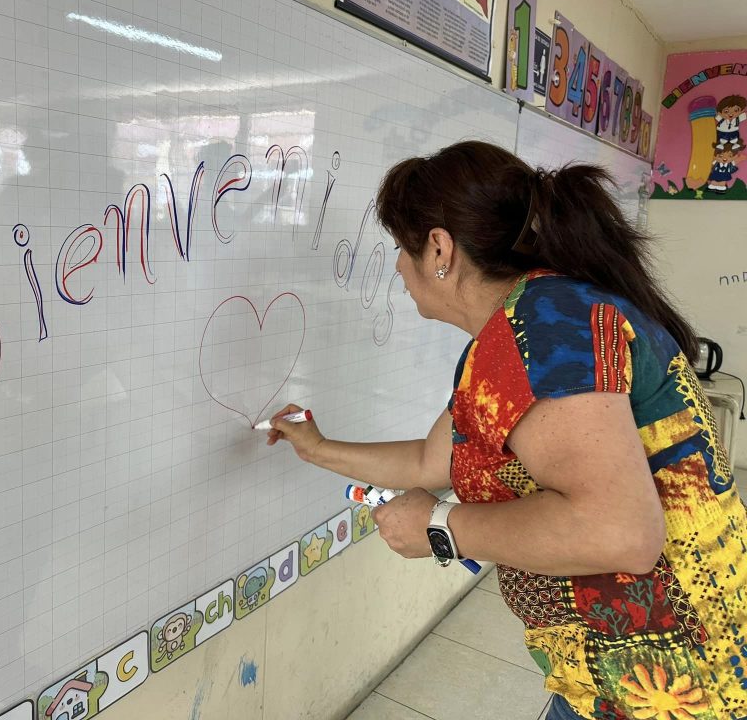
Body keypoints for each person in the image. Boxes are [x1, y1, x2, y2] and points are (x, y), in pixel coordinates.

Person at [267, 141, 747, 720]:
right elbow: (429, 460)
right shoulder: (522, 330)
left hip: (676, 689)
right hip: (614, 676)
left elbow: (620, 532)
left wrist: (442, 528)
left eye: (401, 247)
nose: (397, 265)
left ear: (439, 248)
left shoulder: (545, 329)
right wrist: (317, 448)